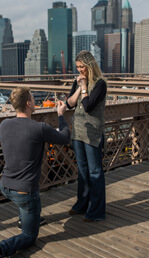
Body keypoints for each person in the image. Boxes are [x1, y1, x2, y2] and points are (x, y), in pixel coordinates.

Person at [0, 87, 70, 258]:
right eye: (33, 98)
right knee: (29, 236)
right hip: (25, 192)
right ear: (29, 104)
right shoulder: (40, 128)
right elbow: (65, 138)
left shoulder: (4, 125)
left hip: (5, 186)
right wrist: (61, 115)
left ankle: (28, 217)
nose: (35, 101)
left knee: (27, 207)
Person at [66, 50, 107, 222]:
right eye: (77, 67)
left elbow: (88, 106)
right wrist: (78, 87)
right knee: (82, 171)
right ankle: (82, 204)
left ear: (90, 65)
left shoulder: (100, 84)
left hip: (93, 134)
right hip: (78, 132)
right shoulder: (77, 81)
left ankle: (97, 211)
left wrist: (84, 88)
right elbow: (69, 104)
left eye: (82, 67)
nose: (80, 70)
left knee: (95, 172)